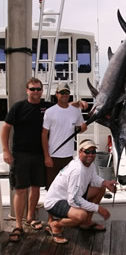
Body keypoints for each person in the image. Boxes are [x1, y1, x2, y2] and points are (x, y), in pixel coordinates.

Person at [1, 78, 88, 242]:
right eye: (32, 89)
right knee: (20, 190)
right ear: (27, 90)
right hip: (21, 154)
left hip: (40, 154)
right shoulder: (18, 107)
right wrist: (6, 150)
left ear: (42, 90)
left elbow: (65, 105)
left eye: (38, 89)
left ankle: (31, 218)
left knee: (35, 188)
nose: (35, 92)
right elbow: (5, 128)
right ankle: (18, 225)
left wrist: (81, 103)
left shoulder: (47, 107)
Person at [44, 139, 116, 244]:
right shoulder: (77, 171)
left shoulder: (89, 164)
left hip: (69, 197)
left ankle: (86, 223)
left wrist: (105, 183)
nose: (90, 155)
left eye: (93, 152)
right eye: (87, 152)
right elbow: (73, 200)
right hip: (56, 202)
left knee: (101, 189)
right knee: (81, 216)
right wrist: (98, 209)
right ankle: (55, 225)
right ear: (80, 152)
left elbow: (94, 178)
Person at [41, 83, 88, 225]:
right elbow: (44, 134)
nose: (64, 95)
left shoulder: (75, 111)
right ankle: (51, 219)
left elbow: (80, 128)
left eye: (66, 92)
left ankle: (65, 218)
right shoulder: (50, 111)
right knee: (51, 189)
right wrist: (47, 156)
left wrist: (83, 128)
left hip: (68, 157)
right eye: (61, 93)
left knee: (67, 188)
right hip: (53, 156)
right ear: (57, 94)